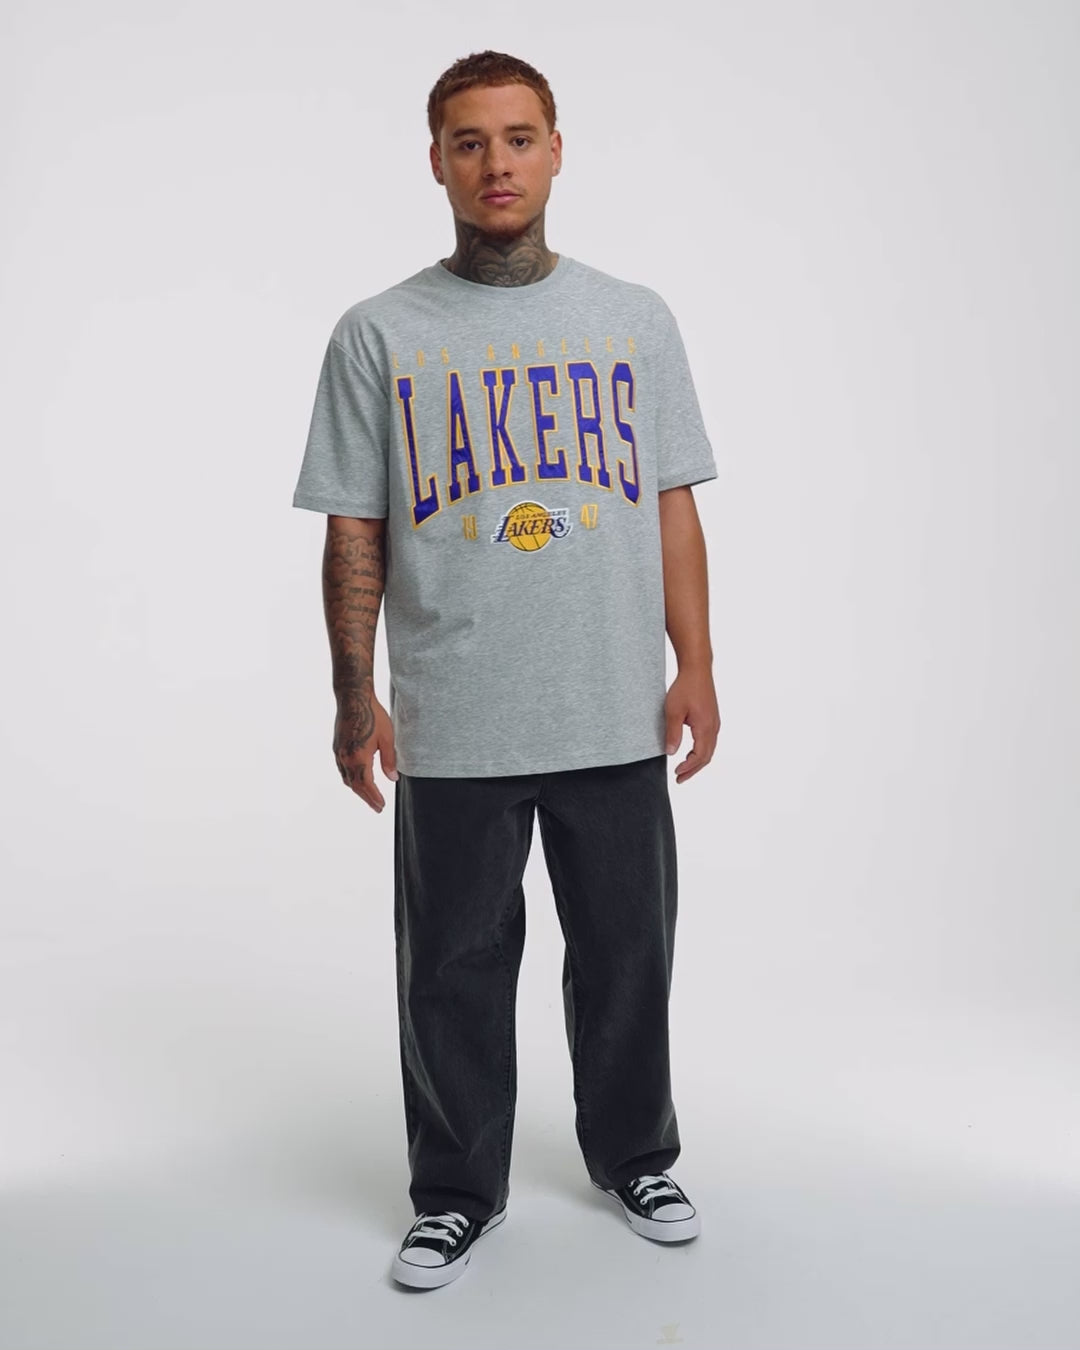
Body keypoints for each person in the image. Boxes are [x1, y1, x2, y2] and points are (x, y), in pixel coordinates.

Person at [292, 49, 720, 1290]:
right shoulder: (379, 334)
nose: (497, 163)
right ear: (435, 160)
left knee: (628, 955)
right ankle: (456, 1191)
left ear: (557, 152)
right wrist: (354, 693)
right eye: (469, 141)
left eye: (519, 137)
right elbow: (355, 527)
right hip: (457, 715)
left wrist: (696, 663)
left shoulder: (634, 320)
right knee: (450, 970)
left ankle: (635, 1155)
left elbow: (671, 505)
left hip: (611, 705)